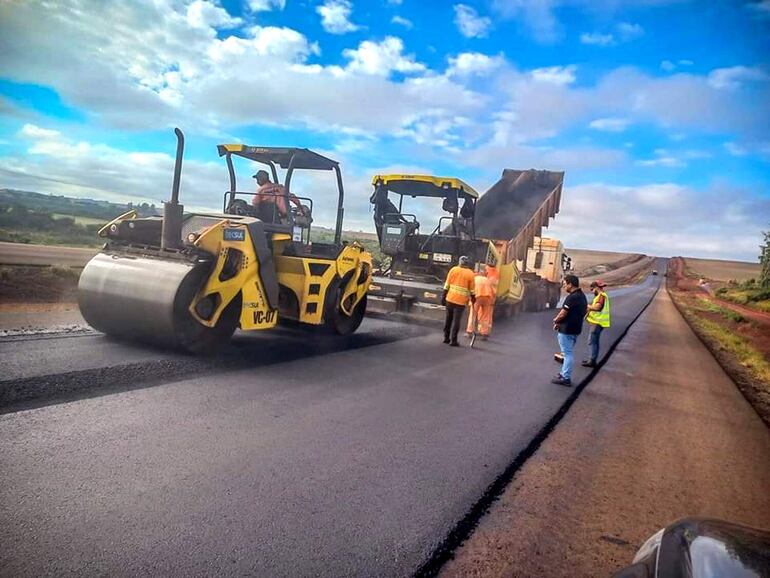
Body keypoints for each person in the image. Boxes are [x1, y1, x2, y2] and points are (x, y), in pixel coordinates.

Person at [551, 274, 587, 386]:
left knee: (567, 354)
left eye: (565, 284)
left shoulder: (572, 297)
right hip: (576, 329)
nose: (564, 286)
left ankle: (566, 377)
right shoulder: (582, 296)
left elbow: (563, 313)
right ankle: (563, 373)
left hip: (567, 330)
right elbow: (584, 311)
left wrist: (556, 321)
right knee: (567, 352)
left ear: (570, 284)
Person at [441, 255, 476, 346]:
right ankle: (453, 340)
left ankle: (446, 338)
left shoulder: (453, 270)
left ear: (459, 262)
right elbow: (472, 290)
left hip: (450, 299)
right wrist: (473, 299)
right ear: (468, 263)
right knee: (456, 321)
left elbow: (447, 285)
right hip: (460, 302)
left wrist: (443, 297)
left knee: (448, 319)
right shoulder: (470, 273)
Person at [582, 280, 611, 368]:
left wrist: (588, 306)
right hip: (598, 322)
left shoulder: (601, 296)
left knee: (592, 341)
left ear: (596, 288)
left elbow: (597, 307)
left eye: (592, 290)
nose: (592, 292)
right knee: (595, 341)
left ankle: (592, 361)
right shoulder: (601, 296)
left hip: (597, 322)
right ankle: (592, 359)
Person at [466, 265, 496, 340]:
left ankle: (470, 331)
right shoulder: (488, 280)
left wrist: (469, 299)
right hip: (487, 298)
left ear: (477, 272)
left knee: (473, 314)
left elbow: (470, 290)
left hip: (477, 297)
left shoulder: (475, 279)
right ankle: (484, 333)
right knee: (486, 316)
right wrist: (492, 302)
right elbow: (494, 292)